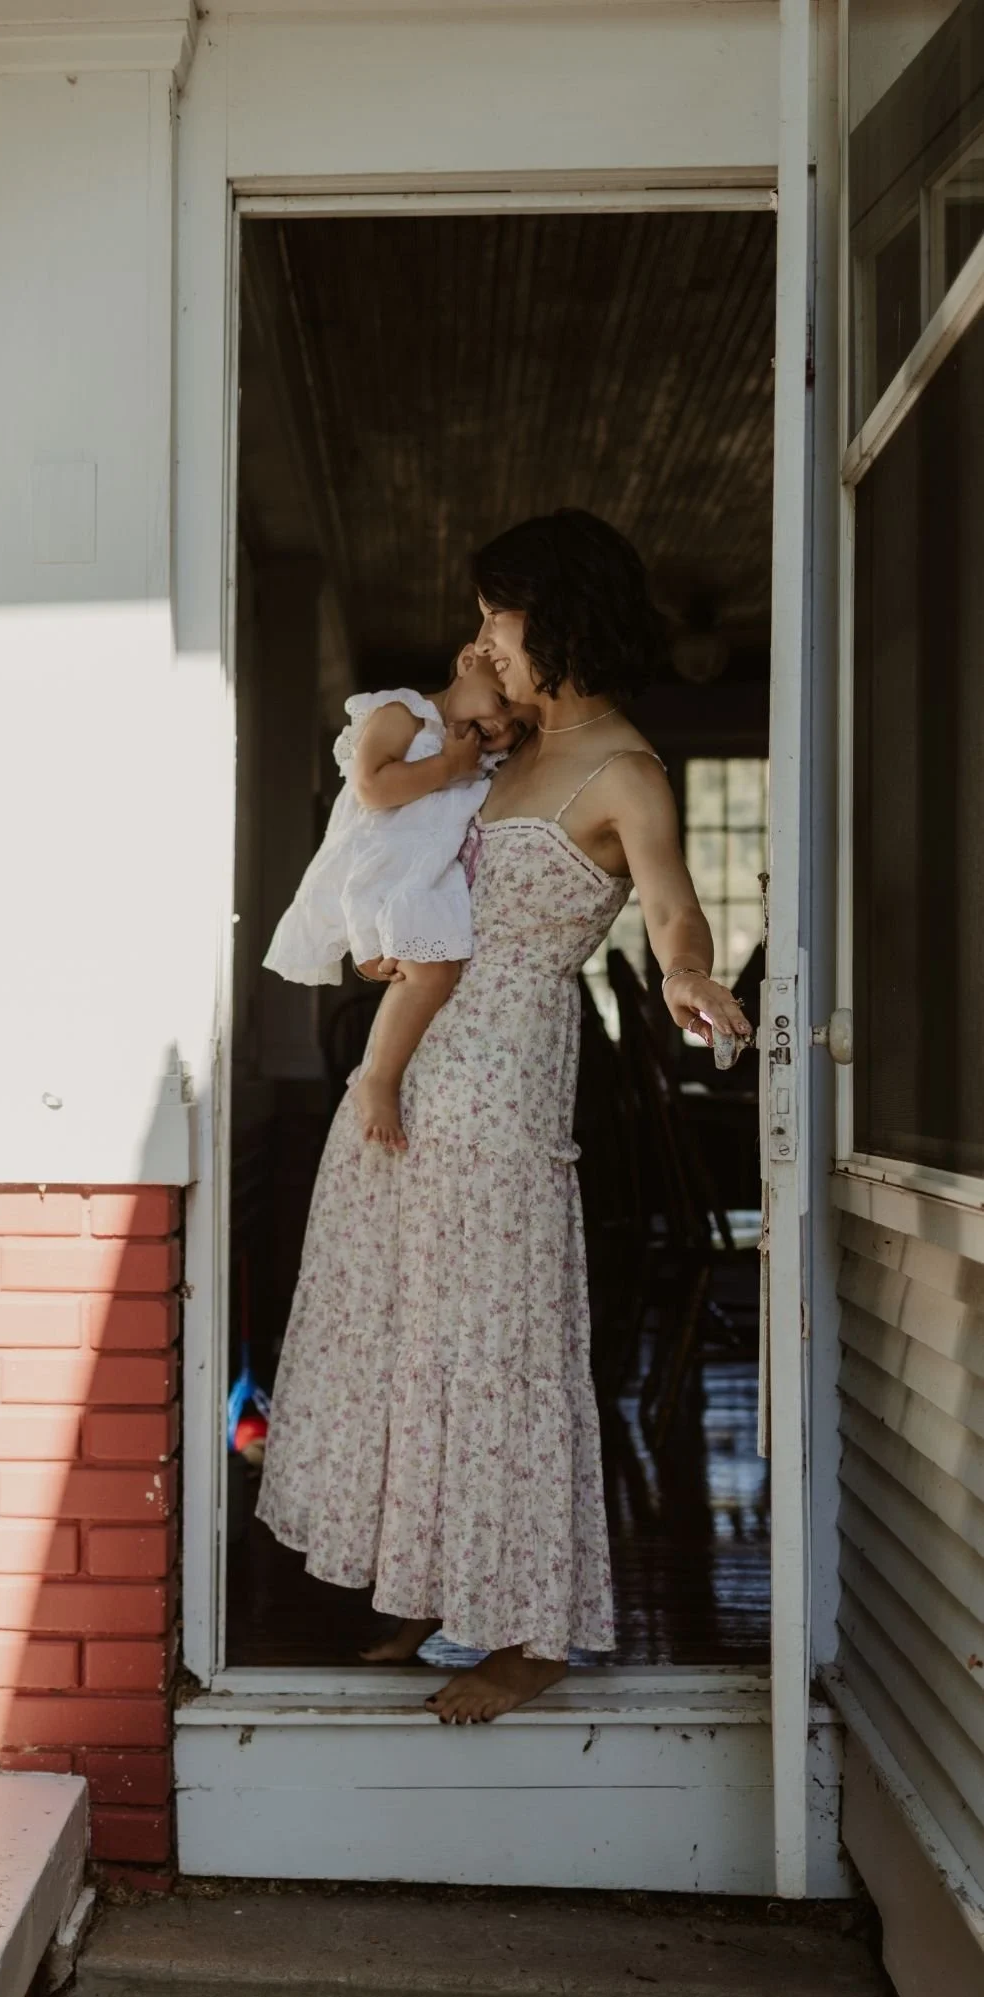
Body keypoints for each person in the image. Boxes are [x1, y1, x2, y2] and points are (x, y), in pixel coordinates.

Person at [256, 508, 752, 1724]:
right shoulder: (482, 744)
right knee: (417, 1338)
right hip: (412, 1066)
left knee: (499, 1344)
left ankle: (532, 1632)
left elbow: (672, 908)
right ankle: (445, 1590)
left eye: (499, 618)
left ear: (560, 620)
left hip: (502, 1083)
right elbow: (402, 858)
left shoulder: (622, 768)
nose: (482, 641)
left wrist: (687, 974)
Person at [264, 646, 522, 1149]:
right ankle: (378, 1079)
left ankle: (384, 1072)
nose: (504, 723)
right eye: (501, 700)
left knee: (436, 971)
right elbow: (371, 787)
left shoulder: (481, 759)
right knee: (430, 972)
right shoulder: (404, 713)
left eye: (518, 723)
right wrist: (449, 766)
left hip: (423, 877)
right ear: (468, 661)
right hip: (378, 868)